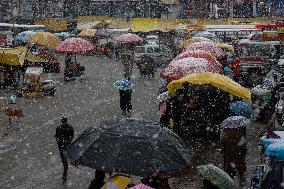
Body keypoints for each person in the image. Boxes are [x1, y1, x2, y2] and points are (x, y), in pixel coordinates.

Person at [55, 117, 74, 183]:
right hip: (62, 147)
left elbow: (72, 136)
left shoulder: (70, 128)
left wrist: (68, 142)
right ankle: (65, 174)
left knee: (66, 162)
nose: (63, 123)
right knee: (64, 162)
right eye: (63, 122)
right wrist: (59, 143)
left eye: (64, 122)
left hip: (66, 147)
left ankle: (64, 175)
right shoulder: (58, 128)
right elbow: (56, 136)